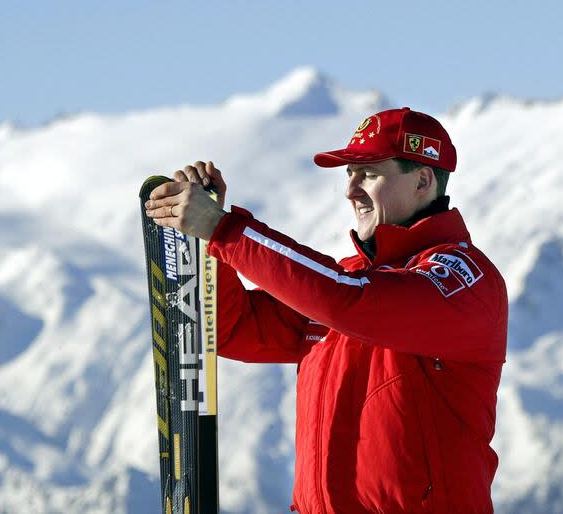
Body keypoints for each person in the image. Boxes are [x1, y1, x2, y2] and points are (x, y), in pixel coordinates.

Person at [145, 107, 508, 513]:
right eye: (349, 173)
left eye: (368, 173)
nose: (351, 189)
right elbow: (232, 329)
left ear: (423, 179)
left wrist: (224, 231)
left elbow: (349, 302)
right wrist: (208, 246)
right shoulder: (347, 280)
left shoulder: (463, 279)